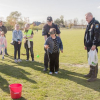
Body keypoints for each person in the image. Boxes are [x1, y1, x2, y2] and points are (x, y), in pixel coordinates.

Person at [84, 12, 99, 82]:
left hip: (93, 46)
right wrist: (85, 44)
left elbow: (97, 35)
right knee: (90, 60)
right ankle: (90, 73)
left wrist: (94, 44)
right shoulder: (89, 24)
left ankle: (94, 76)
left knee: (94, 61)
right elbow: (86, 35)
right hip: (89, 45)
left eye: (87, 18)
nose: (86, 19)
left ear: (91, 16)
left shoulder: (96, 23)